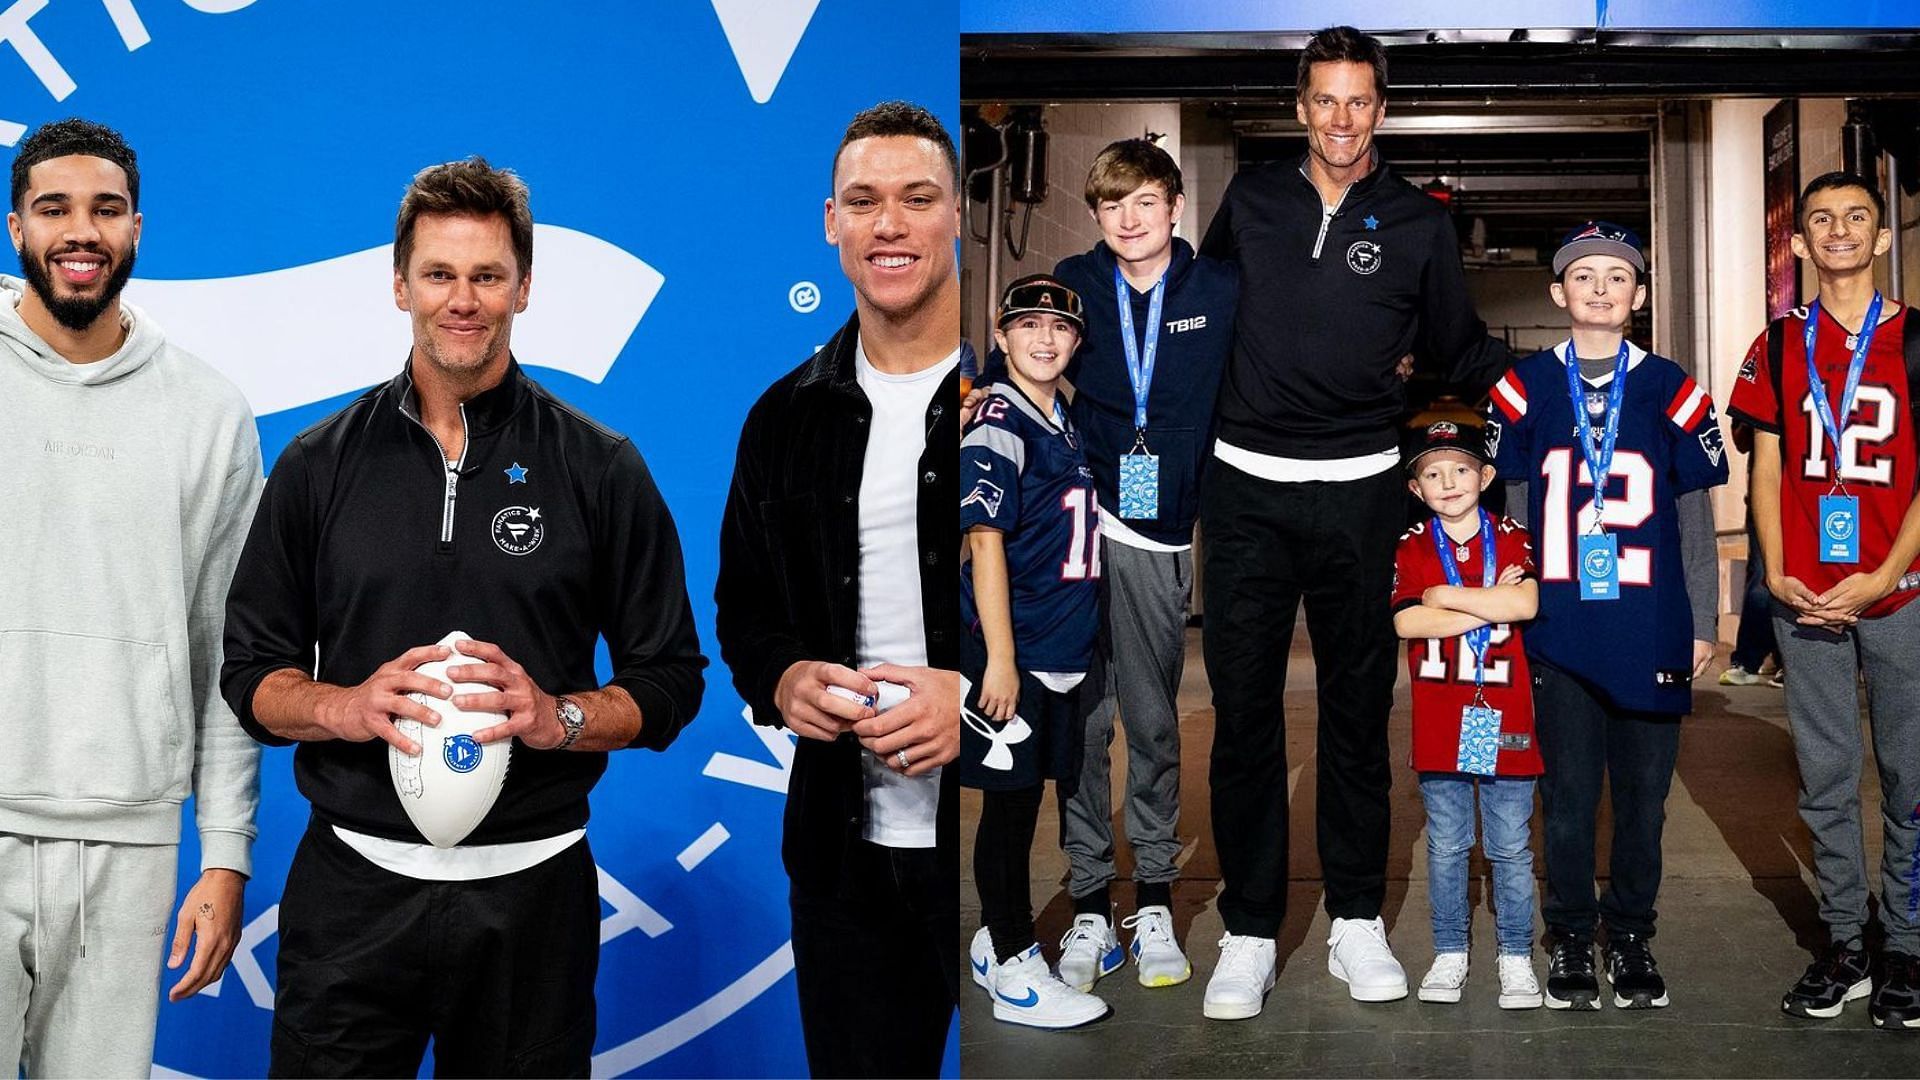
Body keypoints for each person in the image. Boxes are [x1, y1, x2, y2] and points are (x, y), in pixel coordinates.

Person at [220, 157, 706, 1075]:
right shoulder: (318, 465)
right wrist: (344, 706)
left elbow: (671, 679)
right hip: (352, 898)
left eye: (488, 276)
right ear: (399, 283)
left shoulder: (601, 467)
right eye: (440, 274)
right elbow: (249, 675)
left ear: (525, 286)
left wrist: (558, 718)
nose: (463, 300)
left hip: (533, 900)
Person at [1194, 25, 1515, 1016]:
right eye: (1324, 100)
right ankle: (1249, 930)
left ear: (1382, 109)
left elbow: (1459, 345)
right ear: (1300, 107)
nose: (1341, 120)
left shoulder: (1416, 222)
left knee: (1354, 713)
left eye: (1359, 101)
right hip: (1244, 490)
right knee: (1243, 715)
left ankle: (1356, 922)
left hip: (1363, 489)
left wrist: (1545, 417)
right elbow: (1193, 324)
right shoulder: (1250, 200)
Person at [0, 118, 262, 1077]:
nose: (82, 231)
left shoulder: (208, 412)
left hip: (131, 840)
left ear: (138, 229)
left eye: (105, 210)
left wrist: (226, 851)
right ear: (17, 227)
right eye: (55, 209)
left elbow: (226, 647)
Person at [713, 101, 962, 1076]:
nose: (888, 224)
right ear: (831, 223)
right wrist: (781, 680)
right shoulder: (782, 416)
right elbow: (745, 607)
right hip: (842, 852)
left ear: (953, 219)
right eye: (864, 201)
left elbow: (1070, 606)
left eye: (915, 199)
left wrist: (967, 700)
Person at [993, 139, 1234, 993]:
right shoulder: (1074, 280)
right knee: (1081, 729)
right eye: (1111, 205)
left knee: (1153, 722)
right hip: (1072, 530)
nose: (1128, 220)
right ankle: (1092, 898)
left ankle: (1157, 898)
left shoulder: (1217, 290)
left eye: (1144, 201)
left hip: (1159, 538)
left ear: (1174, 204)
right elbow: (1019, 363)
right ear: (1095, 214)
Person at [1486, 221, 1726, 1010]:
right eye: (1582, 276)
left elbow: (1694, 508)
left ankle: (1630, 934)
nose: (1599, 289)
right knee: (1567, 797)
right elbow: (1516, 504)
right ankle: (1569, 936)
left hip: (1651, 620)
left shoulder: (1671, 384)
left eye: (1616, 277)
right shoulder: (1522, 386)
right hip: (1559, 626)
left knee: (1644, 800)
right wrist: (1520, 605)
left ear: (1640, 295)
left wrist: (1703, 619)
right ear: (1558, 293)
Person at [1728, 171, 1920, 1030]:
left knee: (1911, 781)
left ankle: (1909, 944)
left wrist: (1883, 575)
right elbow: (1763, 466)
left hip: (1902, 590)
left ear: (1882, 238)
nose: (1839, 231)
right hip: (1805, 593)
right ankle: (1848, 941)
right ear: (1798, 244)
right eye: (1820, 221)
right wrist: (1772, 570)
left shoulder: (1917, 340)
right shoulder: (1775, 344)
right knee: (1827, 777)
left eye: (1856, 218)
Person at [960, 275, 1108, 1029]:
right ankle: (1014, 958)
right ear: (1002, 331)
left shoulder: (1059, 415)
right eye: (1029, 326)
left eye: (1059, 328)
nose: (1045, 339)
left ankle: (997, 940)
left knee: (1030, 800)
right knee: (1009, 808)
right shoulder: (998, 417)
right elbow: (984, 539)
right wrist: (998, 659)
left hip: (1061, 645)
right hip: (1015, 649)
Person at [1392, 421, 1543, 1010]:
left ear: (1485, 476)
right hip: (1441, 715)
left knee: (1509, 843)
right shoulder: (1411, 545)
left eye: (1460, 469)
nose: (1448, 482)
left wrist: (1442, 596)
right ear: (1416, 489)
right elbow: (1406, 622)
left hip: (1503, 713)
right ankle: (1450, 950)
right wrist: (1486, 604)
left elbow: (1524, 603)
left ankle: (1515, 955)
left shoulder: (1512, 536)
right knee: (1449, 844)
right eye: (1432, 473)